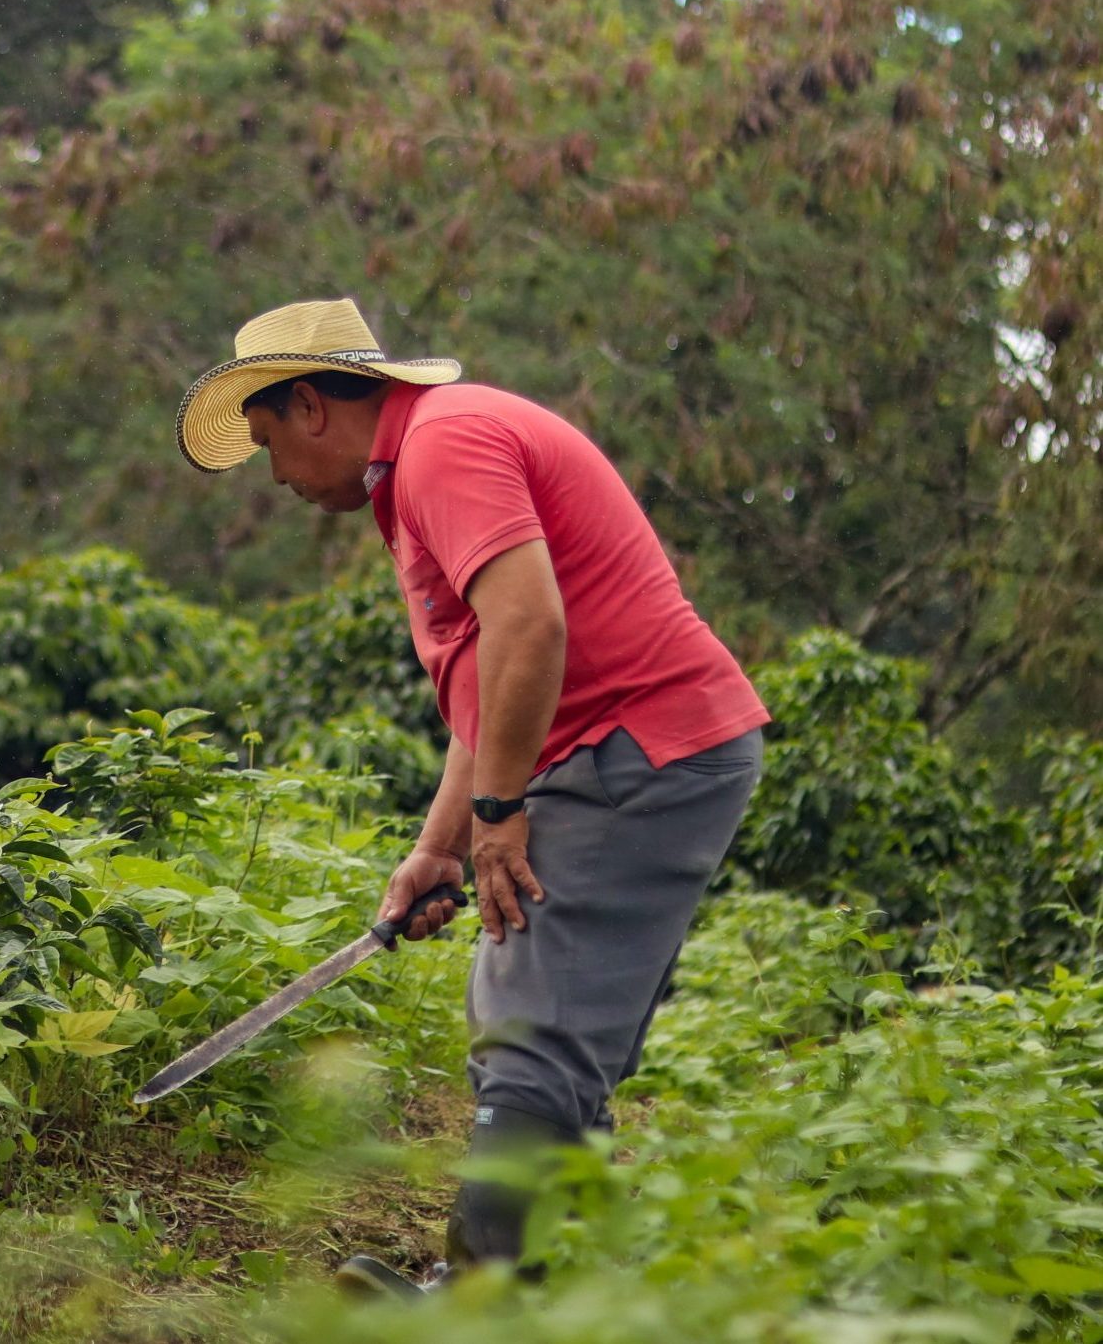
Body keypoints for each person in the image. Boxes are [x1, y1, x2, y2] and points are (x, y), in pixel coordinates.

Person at [175, 297, 769, 1291]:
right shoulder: (416, 470)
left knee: (529, 1022)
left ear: (313, 406)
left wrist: (499, 815)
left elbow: (532, 629)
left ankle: (482, 1301)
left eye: (270, 438)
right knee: (548, 1021)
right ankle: (561, 1287)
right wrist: (439, 844)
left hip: (635, 747)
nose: (274, 473)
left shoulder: (445, 447)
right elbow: (490, 676)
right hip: (627, 747)